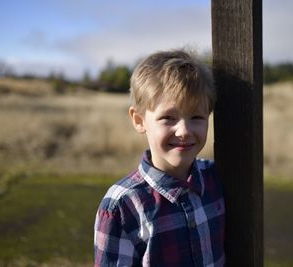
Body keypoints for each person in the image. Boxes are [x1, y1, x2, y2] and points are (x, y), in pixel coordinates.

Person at [94, 49, 225, 266]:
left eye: (196, 117)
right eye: (168, 118)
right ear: (139, 120)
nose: (184, 131)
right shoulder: (123, 206)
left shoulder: (216, 179)